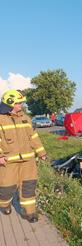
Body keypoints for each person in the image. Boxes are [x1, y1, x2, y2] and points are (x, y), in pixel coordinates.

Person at [0, 89, 47, 222]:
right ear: (10, 103)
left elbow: (33, 136)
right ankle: (4, 204)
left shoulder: (26, 118)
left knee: (28, 186)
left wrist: (41, 152)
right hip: (8, 161)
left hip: (28, 160)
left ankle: (29, 212)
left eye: (21, 103)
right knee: (6, 189)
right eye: (18, 103)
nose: (21, 105)